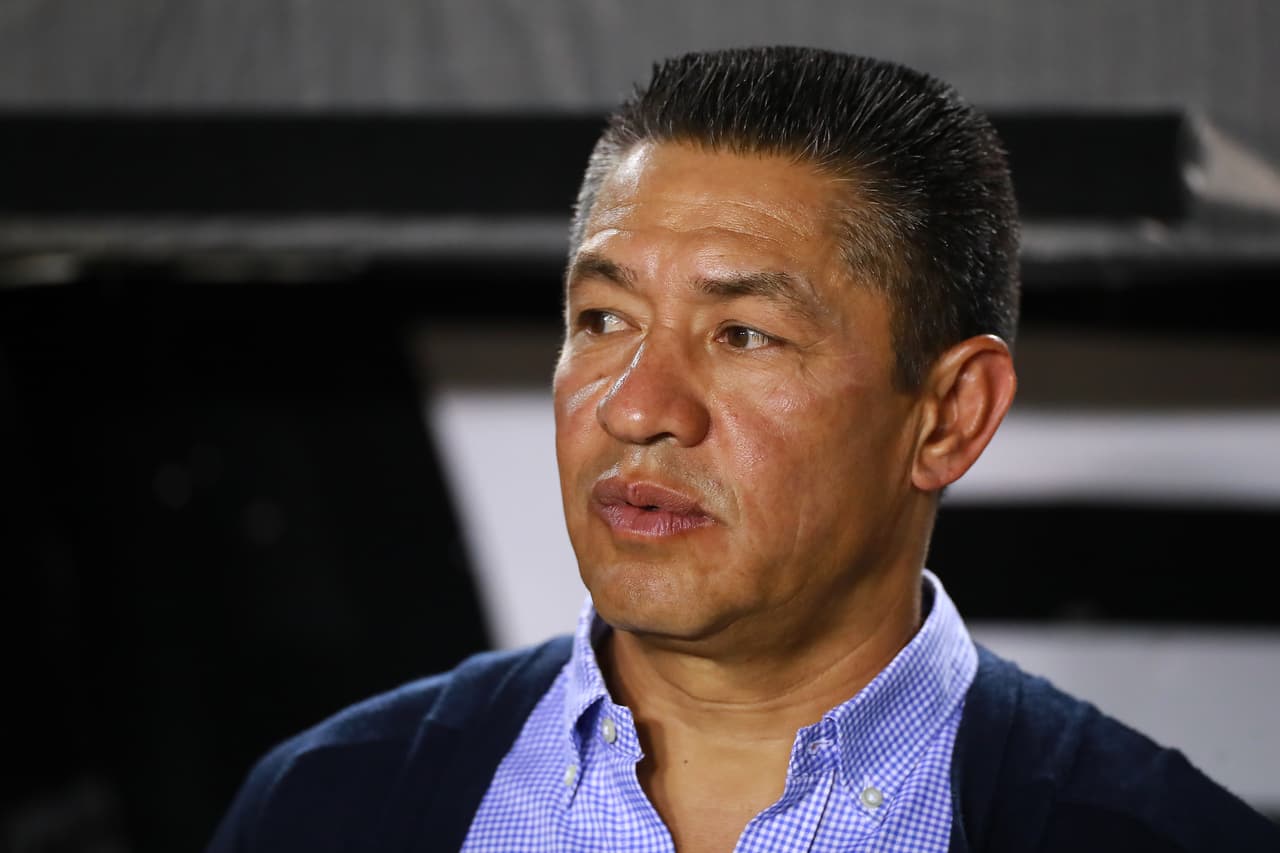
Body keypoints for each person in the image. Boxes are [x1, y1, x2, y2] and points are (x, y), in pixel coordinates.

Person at [208, 47, 1280, 852]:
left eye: (743, 335)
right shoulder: (326, 803)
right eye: (601, 321)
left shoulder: (1158, 837)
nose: (636, 408)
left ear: (949, 414)